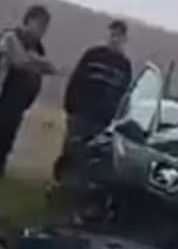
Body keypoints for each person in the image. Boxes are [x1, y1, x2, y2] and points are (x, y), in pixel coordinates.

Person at [0, 6, 56, 177]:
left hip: (18, 104)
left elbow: (47, 68)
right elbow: (20, 61)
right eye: (39, 24)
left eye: (45, 27)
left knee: (4, 144)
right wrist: (38, 63)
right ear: (28, 20)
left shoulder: (37, 47)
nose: (42, 30)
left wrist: (38, 63)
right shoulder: (10, 36)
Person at [53, 20, 133, 181]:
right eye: (113, 34)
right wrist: (70, 107)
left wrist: (114, 119)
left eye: (119, 36)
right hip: (81, 114)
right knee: (71, 151)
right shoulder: (93, 55)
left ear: (124, 39)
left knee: (90, 157)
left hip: (102, 121)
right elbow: (76, 80)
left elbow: (124, 95)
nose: (114, 39)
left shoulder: (125, 66)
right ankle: (61, 183)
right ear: (108, 35)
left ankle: (79, 188)